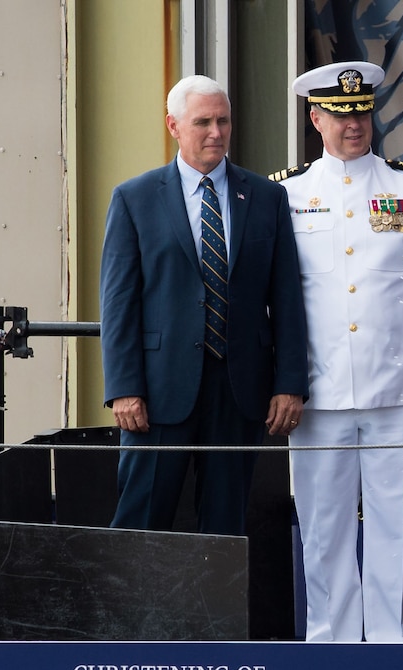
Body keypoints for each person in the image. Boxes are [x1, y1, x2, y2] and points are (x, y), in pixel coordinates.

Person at [271, 61, 403, 642]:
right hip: (319, 394)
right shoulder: (287, 192)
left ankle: (393, 649)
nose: (354, 124)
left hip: (400, 391)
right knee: (322, 531)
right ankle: (329, 649)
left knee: (397, 530)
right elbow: (276, 299)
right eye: (340, 114)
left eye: (362, 112)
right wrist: (284, 381)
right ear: (315, 117)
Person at [100, 74, 309, 536]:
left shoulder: (268, 197)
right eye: (203, 122)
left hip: (239, 392)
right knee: (141, 522)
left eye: (223, 121)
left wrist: (290, 382)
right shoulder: (134, 198)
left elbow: (287, 298)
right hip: (155, 394)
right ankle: (130, 611)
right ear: (173, 126)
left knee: (224, 530)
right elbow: (117, 303)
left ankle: (216, 614)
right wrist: (123, 387)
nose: (216, 132)